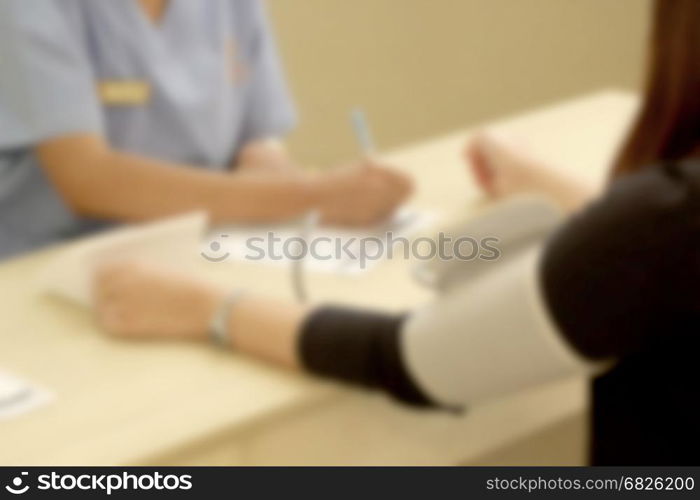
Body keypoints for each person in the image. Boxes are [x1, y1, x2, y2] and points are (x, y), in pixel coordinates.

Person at [93, 0, 700, 465]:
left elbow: (417, 359)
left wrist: (210, 308)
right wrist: (545, 185)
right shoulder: (663, 223)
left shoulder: (664, 223)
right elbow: (647, 253)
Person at [0, 0, 412, 260]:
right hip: (48, 265)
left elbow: (255, 131)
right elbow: (89, 180)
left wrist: (266, 164)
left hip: (196, 248)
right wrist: (311, 196)